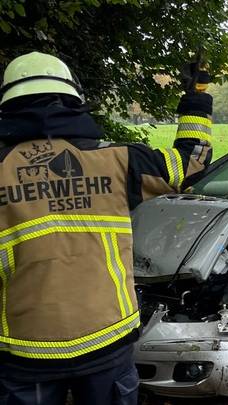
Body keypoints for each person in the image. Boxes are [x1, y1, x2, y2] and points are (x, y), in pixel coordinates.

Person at [0, 52, 214, 405]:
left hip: (25, 348)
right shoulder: (118, 160)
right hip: (107, 339)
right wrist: (197, 100)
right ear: (73, 99)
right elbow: (189, 163)